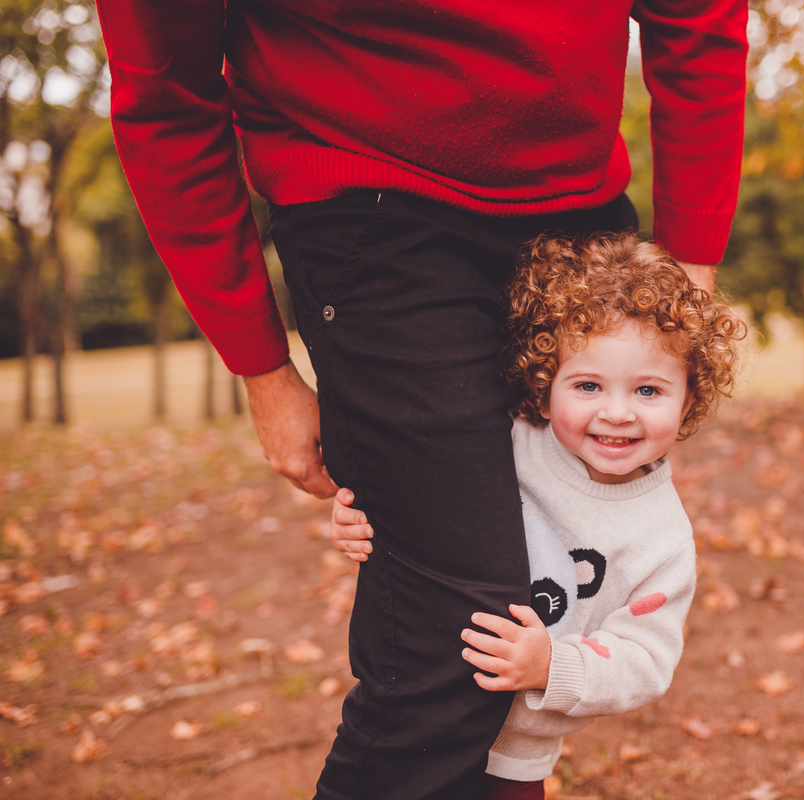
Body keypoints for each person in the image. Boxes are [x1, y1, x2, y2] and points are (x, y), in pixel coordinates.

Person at [94, 3, 747, 797]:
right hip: (369, 202)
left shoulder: (656, 535)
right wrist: (263, 371)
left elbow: (699, 21)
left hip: (576, 204)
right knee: (456, 649)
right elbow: (165, 95)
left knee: (523, 646)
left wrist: (690, 275)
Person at [330, 233, 746, 799]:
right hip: (428, 714)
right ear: (546, 387)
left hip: (517, 757)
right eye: (588, 385)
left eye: (648, 390)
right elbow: (423, 507)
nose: (617, 413)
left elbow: (646, 661)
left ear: (689, 400)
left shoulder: (664, 539)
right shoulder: (505, 445)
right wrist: (360, 519)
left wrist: (554, 666)